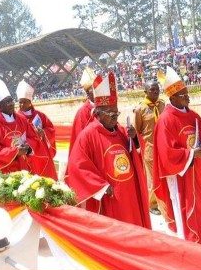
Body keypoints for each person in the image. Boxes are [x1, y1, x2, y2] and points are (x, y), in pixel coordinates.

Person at [65, 71, 151, 228]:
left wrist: (134, 138)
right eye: (110, 113)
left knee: (134, 227)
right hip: (110, 196)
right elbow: (77, 166)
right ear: (97, 113)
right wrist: (101, 186)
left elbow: (134, 153)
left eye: (116, 112)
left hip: (129, 191)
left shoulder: (121, 130)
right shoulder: (88, 135)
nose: (114, 117)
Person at [152, 66, 201, 247]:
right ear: (172, 97)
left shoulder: (193, 115)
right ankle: (188, 241)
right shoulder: (166, 119)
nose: (188, 98)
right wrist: (190, 154)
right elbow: (166, 153)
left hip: (198, 172)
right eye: (183, 95)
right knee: (184, 207)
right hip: (181, 175)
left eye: (187, 93)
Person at [0, 76, 48, 182]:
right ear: (0, 106)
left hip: (24, 165)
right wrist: (15, 151)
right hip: (5, 171)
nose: (11, 103)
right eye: (7, 102)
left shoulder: (21, 119)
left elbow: (33, 137)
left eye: (11, 100)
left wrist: (28, 147)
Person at [133, 79, 166, 216]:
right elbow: (136, 130)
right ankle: (152, 204)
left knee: (164, 176)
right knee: (152, 178)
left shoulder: (163, 105)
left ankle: (164, 201)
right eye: (152, 89)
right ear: (145, 92)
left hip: (164, 147)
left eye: (157, 89)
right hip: (150, 149)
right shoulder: (140, 109)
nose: (155, 91)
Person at [15, 80, 57, 179]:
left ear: (30, 102)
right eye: (20, 102)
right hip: (27, 153)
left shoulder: (40, 115)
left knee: (47, 177)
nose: (21, 105)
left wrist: (44, 133)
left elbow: (51, 129)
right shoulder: (17, 118)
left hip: (42, 151)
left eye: (24, 102)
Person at [69, 67, 97, 155]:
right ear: (88, 93)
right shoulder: (82, 113)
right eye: (94, 89)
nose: (98, 92)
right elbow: (80, 140)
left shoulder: (106, 107)